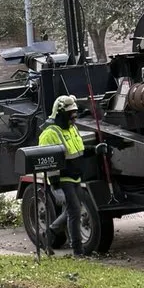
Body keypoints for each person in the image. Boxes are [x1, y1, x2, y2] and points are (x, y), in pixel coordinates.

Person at [38, 95, 86, 257]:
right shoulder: (50, 134)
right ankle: (78, 251)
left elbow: (78, 151)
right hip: (63, 179)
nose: (74, 117)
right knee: (74, 212)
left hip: (75, 176)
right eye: (70, 113)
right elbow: (49, 162)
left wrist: (95, 150)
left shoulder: (72, 128)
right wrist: (55, 186)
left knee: (73, 210)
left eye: (75, 113)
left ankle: (49, 232)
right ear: (60, 113)